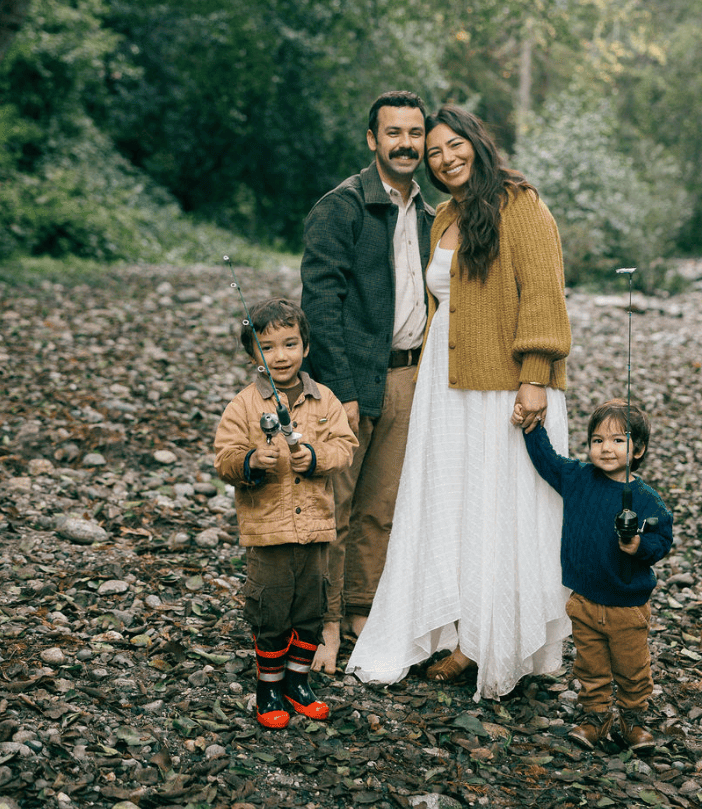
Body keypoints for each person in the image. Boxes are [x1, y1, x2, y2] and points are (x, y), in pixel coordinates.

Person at [347, 105, 572, 700]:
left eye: (455, 146)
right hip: (445, 385)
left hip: (505, 383)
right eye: (436, 151)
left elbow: (544, 294)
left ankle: (489, 641)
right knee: (457, 506)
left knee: (503, 508)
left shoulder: (520, 204)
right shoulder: (445, 213)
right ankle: (458, 625)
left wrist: (536, 375)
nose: (445, 159)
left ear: (477, 140)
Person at [301, 90, 434, 673]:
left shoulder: (433, 214)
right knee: (335, 504)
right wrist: (343, 389)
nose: (405, 143)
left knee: (383, 506)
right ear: (372, 140)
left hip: (410, 376)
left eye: (414, 132)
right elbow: (321, 303)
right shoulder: (343, 207)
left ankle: (361, 608)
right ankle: (323, 622)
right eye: (393, 133)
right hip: (351, 381)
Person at [213, 298, 357, 729]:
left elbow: (345, 447)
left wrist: (314, 457)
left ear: (306, 347)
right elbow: (225, 457)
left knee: (309, 612)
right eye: (268, 346)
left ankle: (298, 682)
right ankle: (269, 687)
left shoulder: (325, 398)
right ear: (253, 354)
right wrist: (252, 462)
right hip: (268, 531)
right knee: (271, 612)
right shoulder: (243, 405)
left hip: (315, 528)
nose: (280, 355)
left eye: (290, 344)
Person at [514, 397, 673, 751]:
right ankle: (596, 719)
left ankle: (632, 721)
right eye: (598, 440)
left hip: (626, 606)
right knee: (590, 668)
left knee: (633, 671)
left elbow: (663, 538)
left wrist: (638, 547)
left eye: (619, 440)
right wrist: (531, 426)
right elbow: (547, 461)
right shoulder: (577, 477)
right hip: (583, 600)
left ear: (638, 449)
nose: (606, 448)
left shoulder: (646, 499)